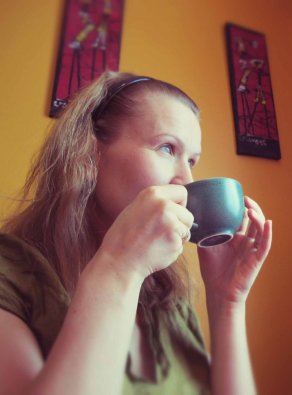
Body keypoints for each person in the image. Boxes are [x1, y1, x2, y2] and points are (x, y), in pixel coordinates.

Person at [0, 71, 273, 395]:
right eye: (167, 148)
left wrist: (227, 301)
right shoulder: (11, 278)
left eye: (193, 160)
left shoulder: (166, 295)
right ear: (90, 153)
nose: (186, 179)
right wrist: (119, 266)